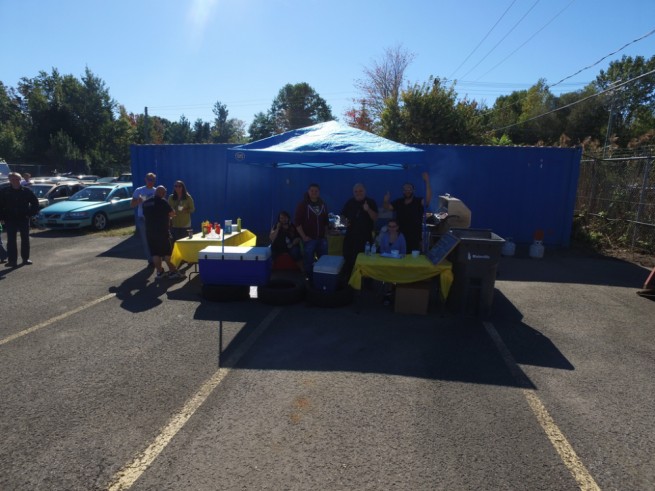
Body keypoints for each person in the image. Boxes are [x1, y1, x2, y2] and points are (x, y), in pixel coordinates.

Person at [383, 171, 432, 253]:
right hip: (399, 237)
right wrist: (385, 201)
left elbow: (427, 200)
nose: (407, 191)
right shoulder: (399, 202)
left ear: (413, 190)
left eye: (409, 189)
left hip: (414, 237)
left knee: (412, 259)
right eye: (405, 189)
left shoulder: (418, 201)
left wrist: (427, 182)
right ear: (402, 191)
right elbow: (387, 207)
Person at [142, 185, 183, 280]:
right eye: (164, 193)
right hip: (162, 231)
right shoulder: (163, 202)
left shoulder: (146, 203)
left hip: (150, 232)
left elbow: (145, 216)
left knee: (155, 253)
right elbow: (172, 213)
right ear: (162, 193)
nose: (165, 195)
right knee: (167, 253)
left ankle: (160, 272)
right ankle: (173, 272)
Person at [0, 172, 40, 267]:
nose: (15, 181)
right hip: (10, 219)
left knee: (25, 239)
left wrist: (29, 214)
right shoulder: (4, 191)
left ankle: (25, 259)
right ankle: (12, 261)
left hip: (23, 218)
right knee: (11, 241)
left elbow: (35, 203)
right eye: (13, 179)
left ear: (20, 180)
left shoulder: (26, 191)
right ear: (9, 180)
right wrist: (1, 217)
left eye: (17, 179)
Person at [341, 183, 378, 277]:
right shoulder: (350, 202)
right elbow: (342, 216)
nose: (358, 193)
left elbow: (375, 218)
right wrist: (344, 222)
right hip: (350, 237)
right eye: (356, 191)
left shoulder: (370, 202)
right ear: (353, 192)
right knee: (349, 260)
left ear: (365, 191)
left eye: (360, 191)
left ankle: (364, 281)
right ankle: (349, 281)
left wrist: (368, 209)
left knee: (365, 261)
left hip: (365, 238)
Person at [294, 183, 329, 280]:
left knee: (323, 260)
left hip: (321, 239)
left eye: (316, 191)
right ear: (308, 192)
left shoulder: (323, 204)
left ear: (319, 192)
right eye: (312, 191)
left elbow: (326, 222)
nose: (314, 193)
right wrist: (304, 236)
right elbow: (297, 223)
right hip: (309, 239)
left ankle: (322, 278)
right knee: (308, 261)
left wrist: (326, 234)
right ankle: (309, 279)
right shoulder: (302, 205)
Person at [131, 172, 157, 266]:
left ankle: (156, 257)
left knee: (154, 239)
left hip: (154, 219)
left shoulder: (156, 191)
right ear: (145, 180)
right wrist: (138, 201)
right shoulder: (139, 190)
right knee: (146, 240)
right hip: (143, 218)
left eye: (152, 180)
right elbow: (132, 204)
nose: (151, 181)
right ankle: (151, 260)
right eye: (149, 179)